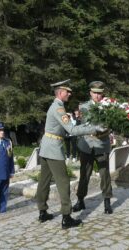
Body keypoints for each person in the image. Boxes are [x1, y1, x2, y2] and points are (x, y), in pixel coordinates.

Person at [37, 79, 105, 229]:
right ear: (60, 93)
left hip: (46, 147)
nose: (70, 94)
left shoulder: (55, 106)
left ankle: (42, 211)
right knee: (63, 182)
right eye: (67, 92)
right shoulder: (59, 109)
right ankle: (66, 217)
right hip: (54, 148)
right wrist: (93, 128)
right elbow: (72, 130)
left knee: (44, 181)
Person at [73, 81, 113, 214]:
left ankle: (107, 202)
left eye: (100, 93)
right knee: (84, 173)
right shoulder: (84, 106)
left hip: (102, 144)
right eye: (95, 93)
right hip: (87, 144)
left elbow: (111, 123)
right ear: (90, 93)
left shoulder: (109, 107)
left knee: (105, 174)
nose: (97, 96)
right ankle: (80, 200)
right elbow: (88, 123)